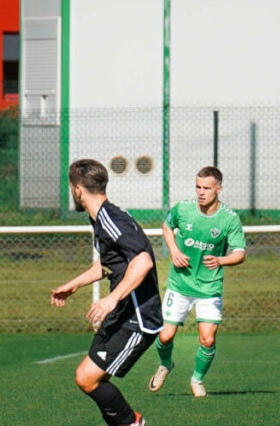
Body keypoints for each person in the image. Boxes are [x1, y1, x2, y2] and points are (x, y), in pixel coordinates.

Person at [51, 159, 160, 426]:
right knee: (89, 378)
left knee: (87, 378)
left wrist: (111, 298)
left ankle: (134, 424)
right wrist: (75, 284)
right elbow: (113, 261)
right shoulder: (104, 217)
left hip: (137, 318)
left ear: (77, 189)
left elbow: (142, 261)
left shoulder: (110, 218)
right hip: (125, 313)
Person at [147, 166, 246, 397]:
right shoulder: (184, 209)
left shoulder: (229, 218)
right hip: (180, 284)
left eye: (207, 188)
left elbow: (240, 253)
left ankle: (197, 380)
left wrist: (222, 260)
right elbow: (167, 226)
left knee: (208, 338)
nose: (201, 192)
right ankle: (165, 365)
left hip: (209, 288)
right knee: (165, 336)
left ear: (218, 189)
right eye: (198, 187)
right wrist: (173, 251)